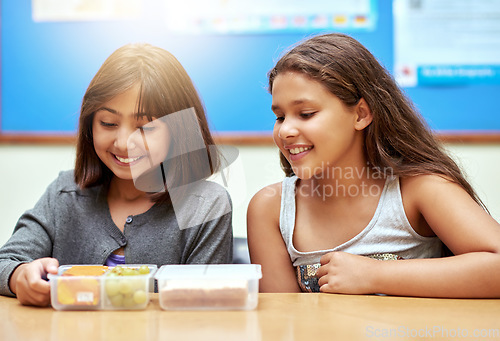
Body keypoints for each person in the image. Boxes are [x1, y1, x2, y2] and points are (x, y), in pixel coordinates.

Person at [247, 33, 500, 298]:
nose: (285, 130)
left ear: (361, 114)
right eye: (279, 117)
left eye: (306, 114)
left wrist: (375, 275)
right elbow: (281, 321)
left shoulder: (421, 188)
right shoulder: (270, 209)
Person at [0, 43, 233, 306]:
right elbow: (5, 263)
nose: (124, 142)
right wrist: (19, 276)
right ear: (90, 124)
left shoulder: (207, 207)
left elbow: (204, 308)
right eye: (108, 123)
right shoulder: (64, 193)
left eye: (145, 127)